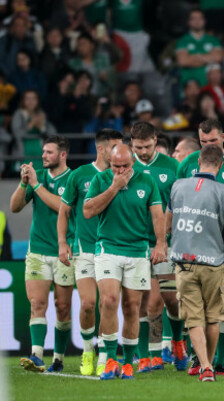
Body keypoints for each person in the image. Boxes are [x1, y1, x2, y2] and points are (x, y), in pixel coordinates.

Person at [167, 145, 224, 382]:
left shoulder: (178, 187)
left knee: (194, 318)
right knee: (213, 317)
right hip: (214, 263)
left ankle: (205, 365)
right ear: (220, 166)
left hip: (184, 262)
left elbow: (167, 223)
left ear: (198, 162)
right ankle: (209, 364)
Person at [83, 144, 167, 380]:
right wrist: (114, 187)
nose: (120, 170)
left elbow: (158, 214)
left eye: (125, 166)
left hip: (137, 250)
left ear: (133, 162)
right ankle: (110, 359)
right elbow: (88, 211)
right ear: (109, 162)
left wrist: (160, 243)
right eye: (115, 166)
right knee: (109, 300)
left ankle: (128, 362)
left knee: (132, 307)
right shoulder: (101, 180)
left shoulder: (147, 181)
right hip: (108, 248)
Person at [57, 129, 124, 376]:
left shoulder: (123, 176)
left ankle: (105, 357)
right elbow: (64, 211)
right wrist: (63, 243)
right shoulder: (79, 175)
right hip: (84, 249)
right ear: (102, 149)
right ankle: (88, 351)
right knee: (87, 304)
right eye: (115, 146)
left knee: (108, 304)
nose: (119, 151)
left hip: (112, 249)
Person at [11, 136, 74, 373]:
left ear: (62, 155)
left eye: (49, 152)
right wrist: (24, 183)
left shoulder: (73, 179)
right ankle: (36, 355)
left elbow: (62, 207)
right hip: (37, 249)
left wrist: (37, 185)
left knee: (62, 307)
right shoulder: (38, 175)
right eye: (43, 152)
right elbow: (15, 207)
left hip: (64, 250)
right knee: (37, 303)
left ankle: (58, 358)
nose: (44, 156)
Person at [129, 122, 186, 374]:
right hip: (136, 242)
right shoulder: (124, 167)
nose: (142, 152)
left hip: (168, 244)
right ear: (131, 144)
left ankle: (177, 342)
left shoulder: (173, 167)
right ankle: (148, 357)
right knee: (144, 302)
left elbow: (183, 203)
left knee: (172, 300)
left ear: (156, 140)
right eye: (138, 147)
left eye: (147, 146)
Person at [177, 118, 224, 204]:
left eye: (213, 140)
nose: (208, 145)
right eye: (204, 141)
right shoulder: (187, 162)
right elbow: (177, 200)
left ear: (223, 137)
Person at [175, 9, 223, 88]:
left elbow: (218, 58)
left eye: (200, 18)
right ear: (188, 22)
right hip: (189, 86)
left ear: (204, 21)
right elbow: (183, 61)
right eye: (193, 19)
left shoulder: (214, 40)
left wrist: (195, 57)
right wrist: (208, 58)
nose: (197, 21)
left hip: (209, 86)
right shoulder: (182, 41)